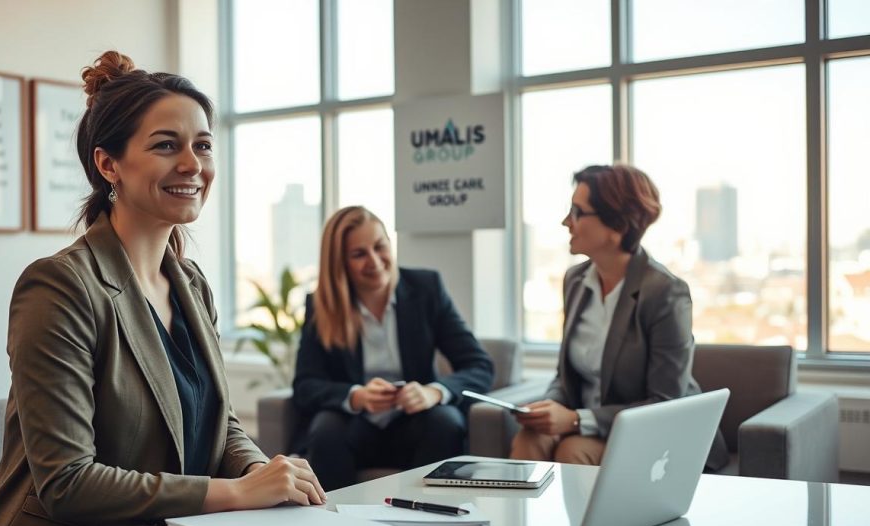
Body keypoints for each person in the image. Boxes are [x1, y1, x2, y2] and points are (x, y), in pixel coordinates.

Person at [0, 51, 325, 526]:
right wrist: (234, 493)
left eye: (202, 145)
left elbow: (217, 421)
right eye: (165, 145)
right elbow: (67, 482)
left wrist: (259, 471)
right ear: (108, 165)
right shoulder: (60, 286)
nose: (192, 164)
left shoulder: (192, 284)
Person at [510, 164, 728, 470]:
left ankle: (587, 521)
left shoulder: (665, 292)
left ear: (617, 226)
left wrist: (575, 420)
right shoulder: (575, 281)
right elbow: (568, 375)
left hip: (653, 435)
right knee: (528, 438)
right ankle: (523, 520)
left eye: (577, 212)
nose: (565, 222)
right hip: (587, 425)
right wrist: (549, 408)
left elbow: (665, 402)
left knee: (573, 450)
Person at [291, 206, 494, 491]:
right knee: (326, 428)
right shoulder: (321, 306)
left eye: (379, 247)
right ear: (340, 263)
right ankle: (331, 524)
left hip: (415, 424)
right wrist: (356, 396)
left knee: (445, 421)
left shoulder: (426, 289)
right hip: (354, 427)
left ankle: (432, 520)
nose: (374, 261)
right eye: (359, 254)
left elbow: (479, 365)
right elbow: (305, 385)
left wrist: (433, 392)